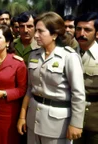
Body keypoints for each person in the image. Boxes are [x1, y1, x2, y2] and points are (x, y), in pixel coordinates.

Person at [17, 11, 86, 144]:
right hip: (33, 121)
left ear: (54, 34)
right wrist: (22, 117)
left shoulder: (69, 57)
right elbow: (30, 89)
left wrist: (76, 123)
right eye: (35, 30)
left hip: (57, 126)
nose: (35, 35)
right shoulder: (34, 55)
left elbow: (78, 94)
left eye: (40, 31)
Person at [73, 12, 98, 144]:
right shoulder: (67, 53)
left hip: (94, 121)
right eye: (78, 29)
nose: (81, 33)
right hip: (69, 118)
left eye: (87, 30)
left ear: (97, 33)